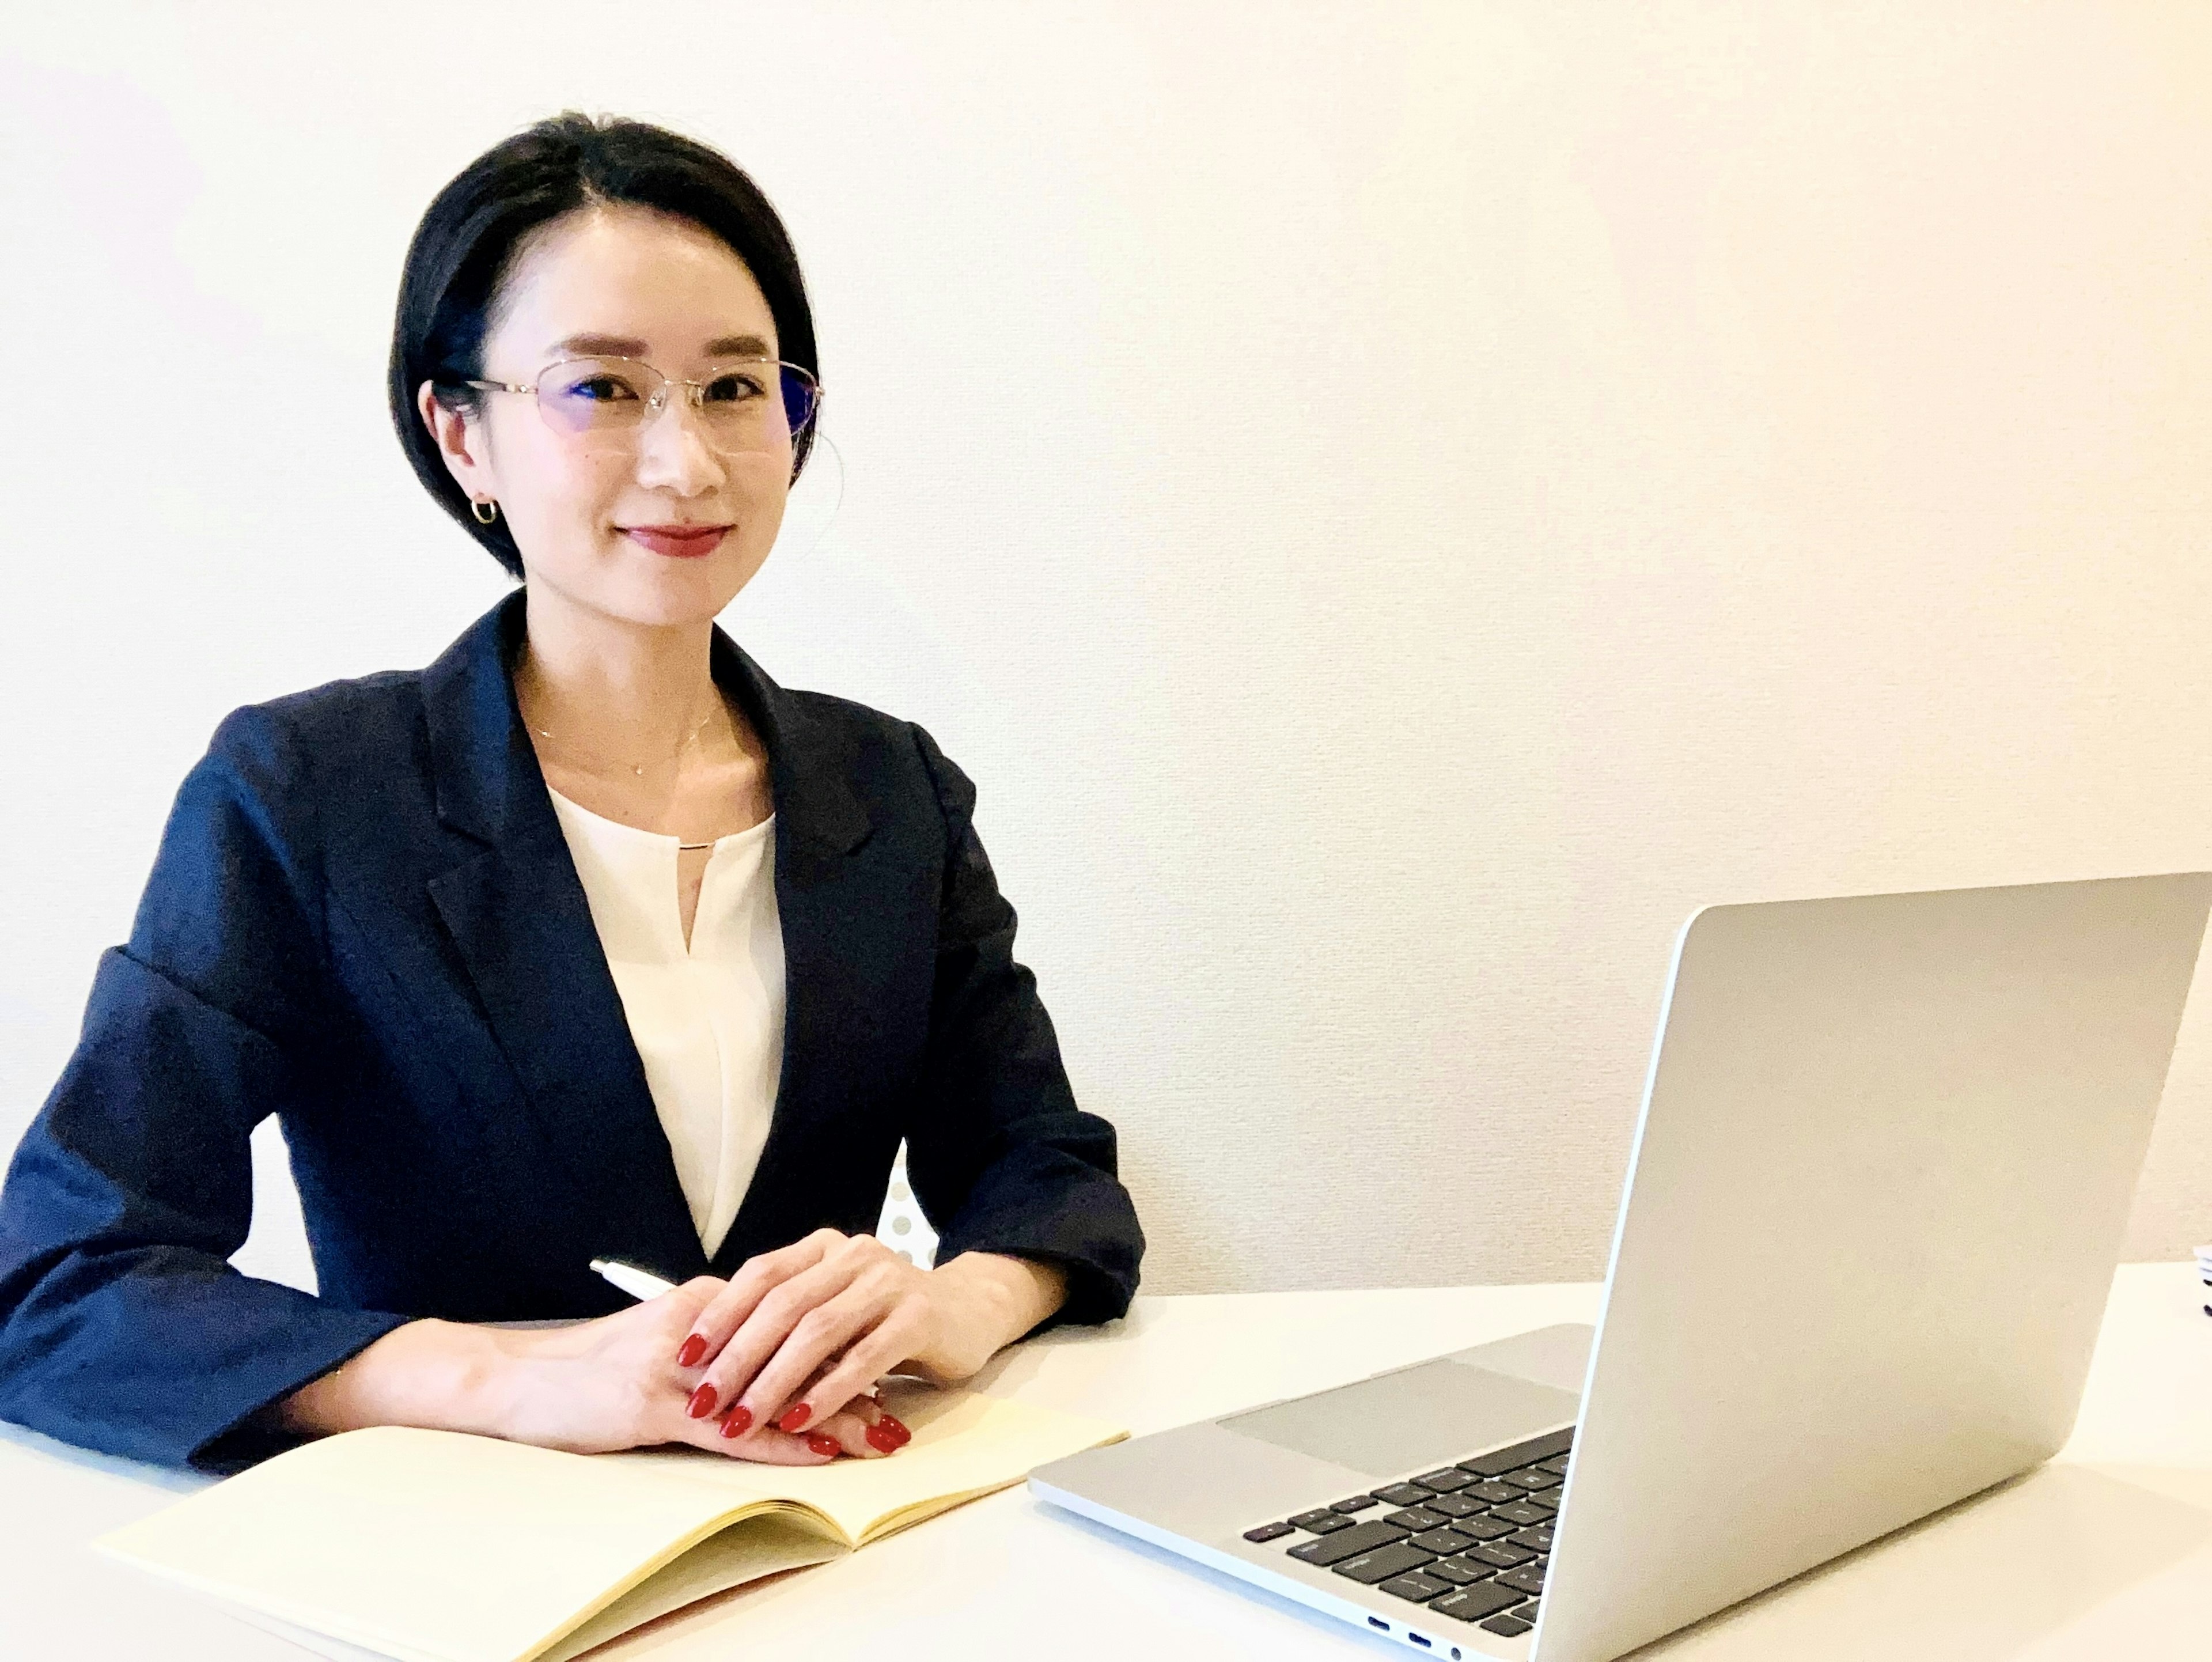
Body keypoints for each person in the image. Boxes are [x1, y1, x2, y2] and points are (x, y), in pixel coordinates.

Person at [0, 112, 1143, 1473]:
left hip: (840, 1536)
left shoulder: (888, 787)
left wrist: (952, 1305)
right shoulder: (307, 794)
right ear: (463, 435)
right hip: (468, 1554)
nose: (688, 463)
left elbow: (1047, 1173)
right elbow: (65, 1281)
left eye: (734, 388)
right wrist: (510, 1375)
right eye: (600, 390)